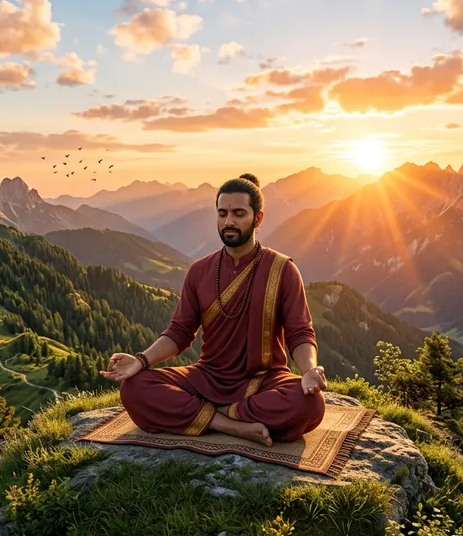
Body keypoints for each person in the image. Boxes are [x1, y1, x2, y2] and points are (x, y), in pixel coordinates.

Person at [99, 173, 327, 446]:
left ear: (258, 218)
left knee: (309, 406)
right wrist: (141, 360)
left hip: (263, 381)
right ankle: (231, 425)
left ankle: (205, 415)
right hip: (208, 378)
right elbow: (180, 332)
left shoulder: (282, 270)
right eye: (222, 213)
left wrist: (309, 371)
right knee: (135, 388)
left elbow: (300, 332)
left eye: (239, 213)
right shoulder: (199, 271)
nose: (229, 221)